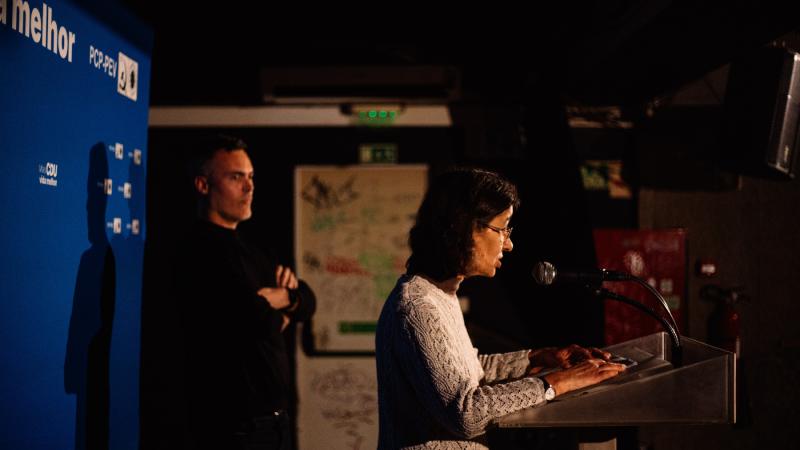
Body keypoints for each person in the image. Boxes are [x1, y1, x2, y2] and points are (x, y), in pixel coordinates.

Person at [375, 168, 626, 449]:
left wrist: (537, 358)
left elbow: (465, 373)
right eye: (502, 228)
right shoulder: (418, 306)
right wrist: (557, 383)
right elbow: (465, 414)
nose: (508, 244)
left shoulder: (441, 293)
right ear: (465, 226)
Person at [175, 135, 316, 450]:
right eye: (236, 177)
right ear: (203, 185)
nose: (249, 187)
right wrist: (281, 305)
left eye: (250, 177)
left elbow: (307, 300)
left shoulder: (254, 249)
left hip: (276, 421)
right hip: (233, 429)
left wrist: (283, 299)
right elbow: (259, 322)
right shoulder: (200, 251)